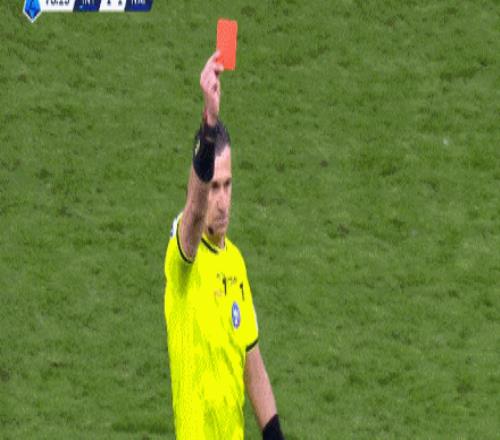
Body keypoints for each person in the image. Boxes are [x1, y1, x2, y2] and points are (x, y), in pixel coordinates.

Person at [164, 51, 285, 440]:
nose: (221, 200)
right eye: (213, 186)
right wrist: (209, 125)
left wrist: (274, 433)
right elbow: (194, 213)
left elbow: (252, 360)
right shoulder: (183, 259)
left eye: (227, 185)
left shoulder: (235, 262)